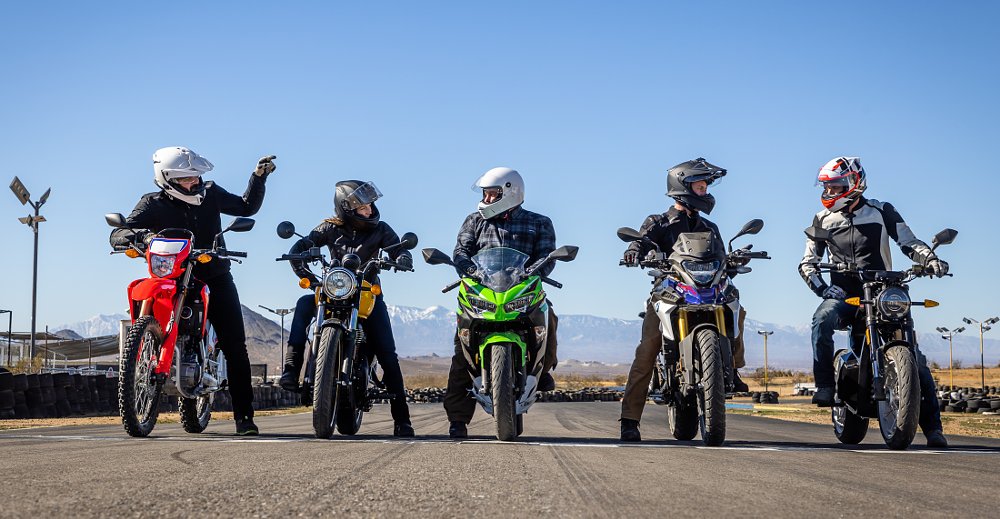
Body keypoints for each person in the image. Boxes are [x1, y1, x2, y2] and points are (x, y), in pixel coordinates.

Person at [110, 146, 276, 435]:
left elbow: (245, 207)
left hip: (214, 275)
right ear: (167, 179)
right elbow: (118, 233)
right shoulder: (152, 203)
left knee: (235, 346)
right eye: (187, 178)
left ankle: (244, 418)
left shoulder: (210, 193)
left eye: (196, 175)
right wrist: (142, 237)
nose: (194, 181)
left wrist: (258, 178)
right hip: (172, 278)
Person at [799, 156, 950, 448]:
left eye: (835, 186)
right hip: (845, 296)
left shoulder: (881, 211)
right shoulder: (822, 219)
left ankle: (933, 429)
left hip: (883, 293)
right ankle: (825, 386)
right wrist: (824, 290)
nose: (829, 192)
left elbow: (909, 242)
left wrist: (930, 259)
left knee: (916, 359)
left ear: (854, 184)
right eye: (827, 187)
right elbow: (807, 263)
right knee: (822, 319)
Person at [618, 157, 750, 442]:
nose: (705, 192)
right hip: (669, 292)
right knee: (647, 350)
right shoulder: (658, 222)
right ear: (683, 187)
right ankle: (629, 420)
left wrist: (734, 260)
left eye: (705, 187)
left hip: (707, 290)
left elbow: (719, 258)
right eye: (700, 187)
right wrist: (634, 250)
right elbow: (641, 240)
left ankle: (733, 368)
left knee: (737, 306)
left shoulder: (710, 228)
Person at [278, 180, 415, 437]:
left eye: (370, 205)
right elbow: (301, 246)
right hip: (333, 290)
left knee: (387, 353)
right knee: (303, 304)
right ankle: (291, 370)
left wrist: (403, 257)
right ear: (346, 208)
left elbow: (397, 249)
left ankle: (402, 420)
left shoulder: (382, 229)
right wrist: (305, 270)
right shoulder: (329, 227)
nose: (369, 210)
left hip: (366, 294)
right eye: (363, 207)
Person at [444, 167, 559, 439]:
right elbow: (461, 250)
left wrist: (535, 271)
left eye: (492, 194)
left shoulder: (539, 222)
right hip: (483, 292)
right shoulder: (474, 221)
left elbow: (547, 254)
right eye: (485, 193)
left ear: (510, 192)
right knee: (462, 351)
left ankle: (543, 370)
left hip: (521, 288)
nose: (486, 198)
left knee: (549, 318)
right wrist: (467, 268)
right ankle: (458, 420)